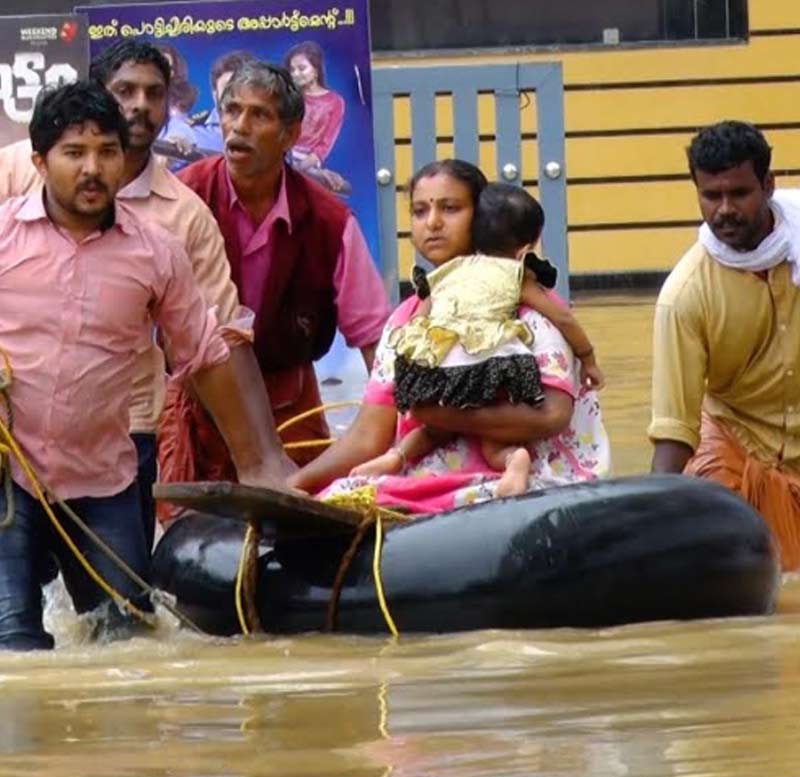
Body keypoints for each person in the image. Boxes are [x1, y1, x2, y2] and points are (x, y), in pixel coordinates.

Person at [0, 80, 280, 650]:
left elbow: (204, 354)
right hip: (6, 482)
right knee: (13, 648)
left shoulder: (154, 251)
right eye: (74, 154)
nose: (93, 169)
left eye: (107, 152)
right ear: (39, 161)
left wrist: (258, 470)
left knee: (129, 647)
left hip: (103, 483)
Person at [289, 159, 610, 511]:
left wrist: (440, 416)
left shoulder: (529, 307)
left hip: (514, 481)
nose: (433, 223)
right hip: (422, 476)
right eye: (420, 210)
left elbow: (552, 415)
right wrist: (296, 483)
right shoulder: (407, 317)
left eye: (451, 208)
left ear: (483, 216)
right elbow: (368, 435)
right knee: (340, 499)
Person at [159, 60, 391, 515]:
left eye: (259, 115)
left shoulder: (330, 221)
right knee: (191, 549)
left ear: (291, 134)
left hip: (290, 405)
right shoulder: (180, 197)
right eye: (231, 111)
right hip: (197, 403)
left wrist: (396, 441)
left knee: (299, 541)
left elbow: (376, 342)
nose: (238, 127)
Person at [650, 120, 800, 571]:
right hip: (738, 453)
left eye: (739, 193)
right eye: (710, 196)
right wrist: (648, 516)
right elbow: (675, 430)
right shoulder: (685, 297)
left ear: (769, 185)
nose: (724, 210)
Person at [284, 41, 348, 194]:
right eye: (292, 70)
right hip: (283, 158)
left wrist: (303, 167)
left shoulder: (335, 102)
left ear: (316, 70)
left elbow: (325, 144)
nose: (296, 74)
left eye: (301, 68)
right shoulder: (289, 97)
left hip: (310, 163)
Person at [191, 50, 257, 154]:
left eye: (242, 85)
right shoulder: (191, 133)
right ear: (214, 95)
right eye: (227, 87)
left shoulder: (273, 129)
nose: (235, 94)